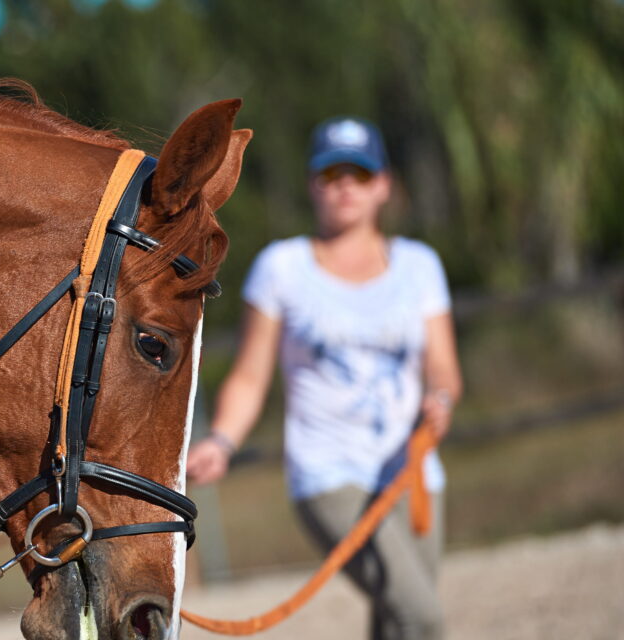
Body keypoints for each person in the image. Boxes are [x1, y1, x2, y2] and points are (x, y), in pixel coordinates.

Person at [186, 117, 462, 640]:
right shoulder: (282, 268)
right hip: (328, 473)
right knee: (420, 615)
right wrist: (222, 440)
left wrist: (441, 399)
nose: (344, 187)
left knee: (397, 618)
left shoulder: (419, 266)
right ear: (314, 184)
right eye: (331, 174)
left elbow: (443, 364)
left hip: (413, 472)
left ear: (382, 184)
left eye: (358, 174)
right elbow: (250, 374)